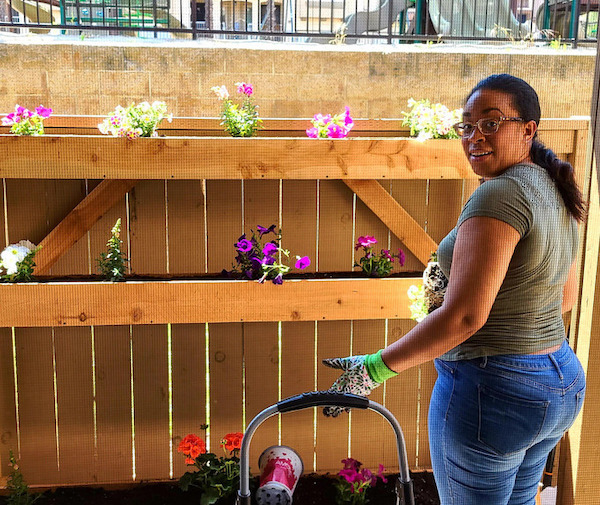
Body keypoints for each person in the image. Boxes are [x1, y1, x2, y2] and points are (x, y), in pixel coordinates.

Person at [322, 74, 587, 505]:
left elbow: (466, 317)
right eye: (467, 126)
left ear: (528, 129)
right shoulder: (554, 187)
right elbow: (563, 299)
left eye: (491, 122)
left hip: (494, 392)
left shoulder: (500, 195)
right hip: (559, 382)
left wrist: (372, 370)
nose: (474, 136)